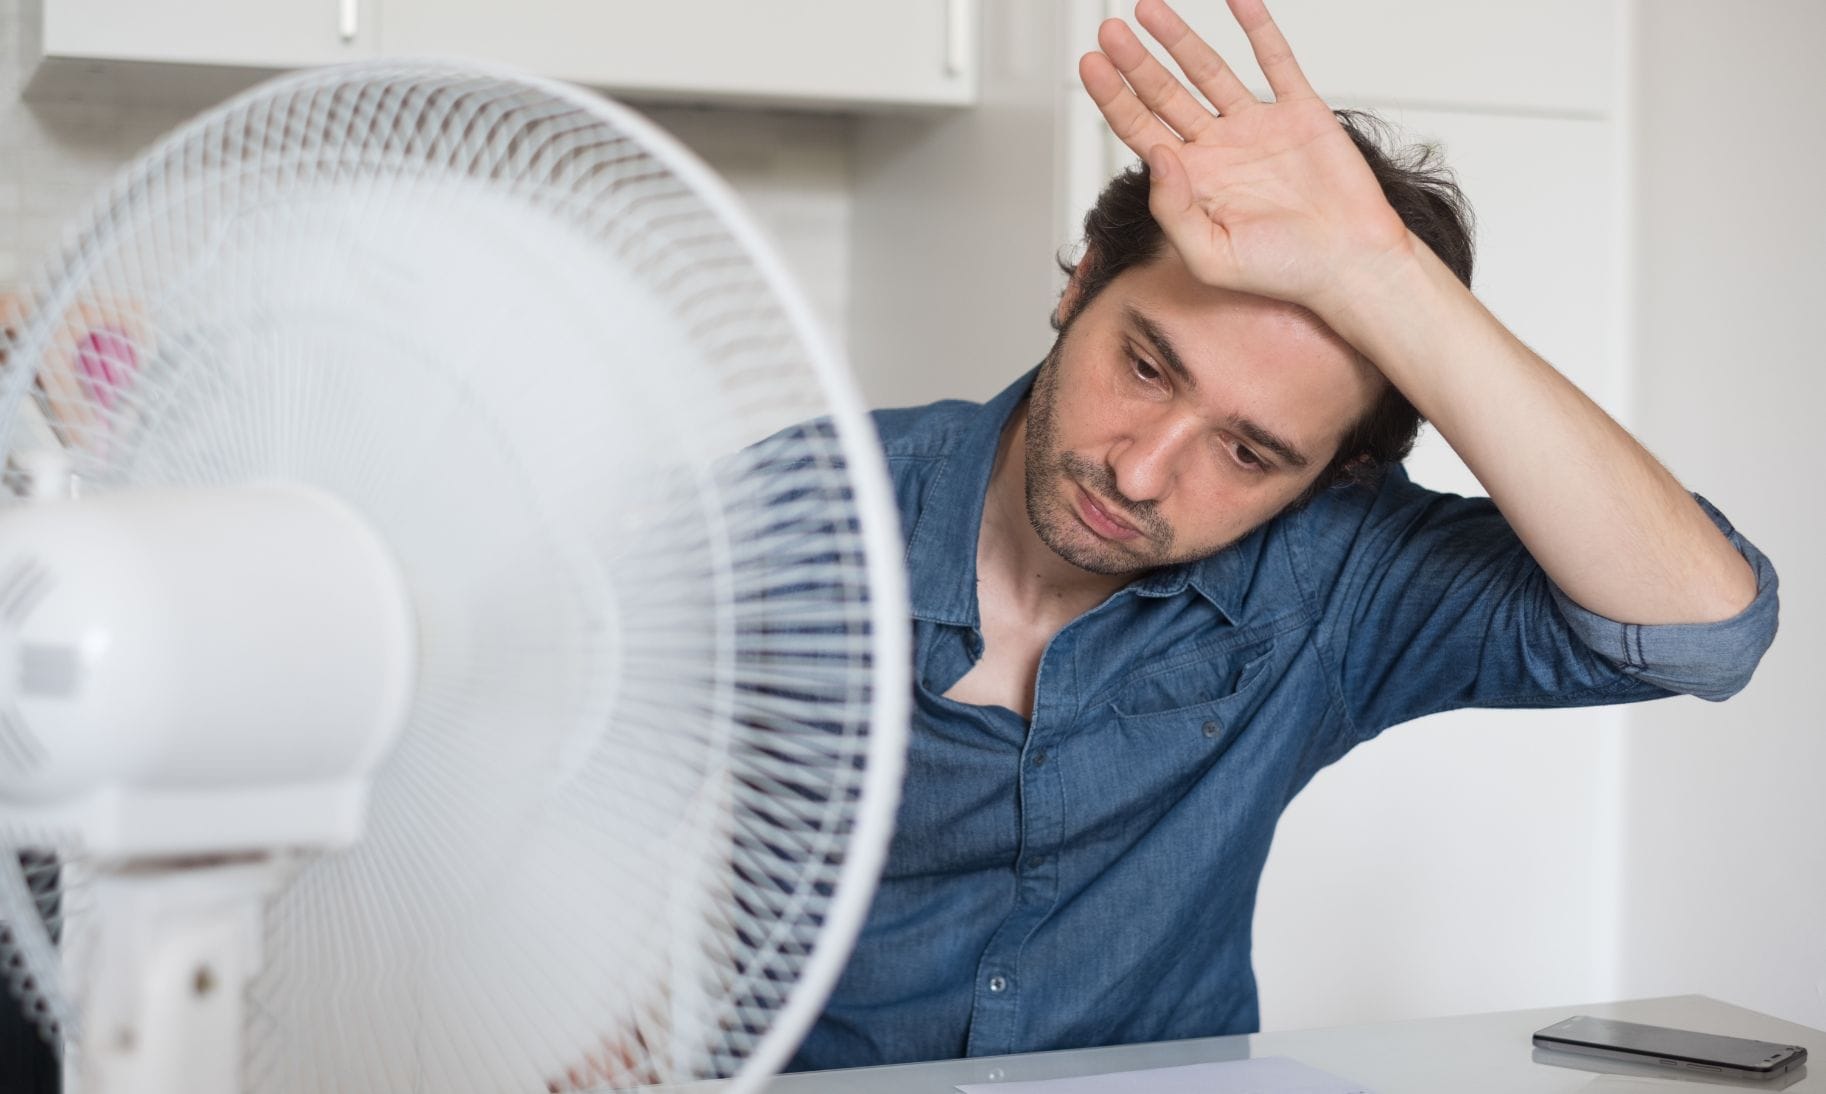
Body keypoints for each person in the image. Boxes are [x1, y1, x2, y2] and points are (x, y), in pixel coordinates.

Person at [787, 0, 1779, 1071]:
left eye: (1248, 452)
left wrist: (1384, 278)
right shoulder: (790, 518)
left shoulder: (1330, 577)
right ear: (1078, 285)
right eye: (1145, 366)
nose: (1138, 469)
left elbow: (1702, 628)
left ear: (1337, 474)